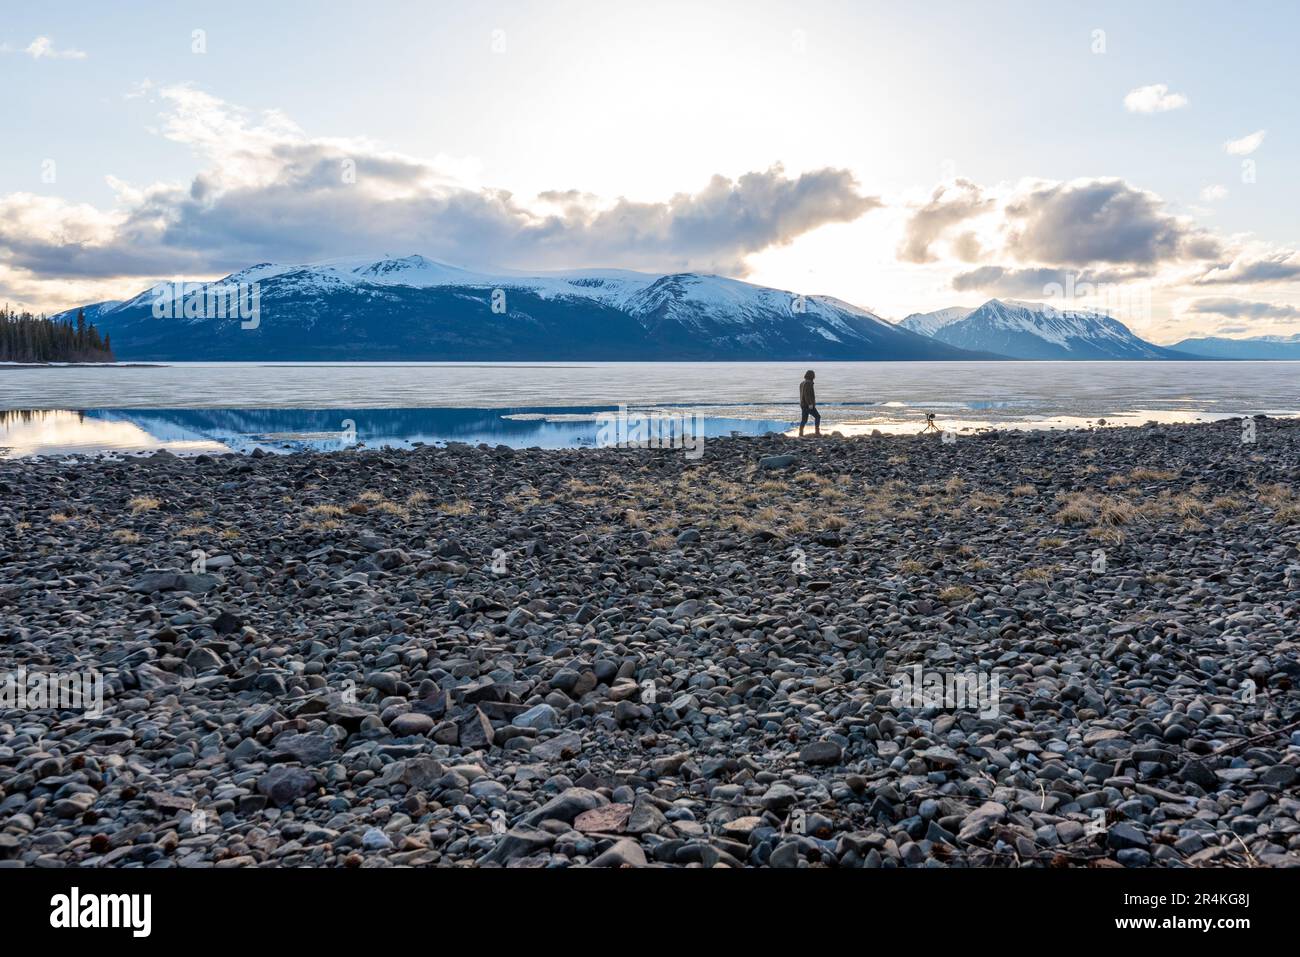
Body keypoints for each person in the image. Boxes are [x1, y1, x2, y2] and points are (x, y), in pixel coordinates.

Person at [798, 369, 821, 437]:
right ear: (812, 376)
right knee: (817, 417)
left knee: (804, 420)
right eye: (814, 375)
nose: (814, 376)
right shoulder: (809, 383)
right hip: (808, 404)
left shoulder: (802, 383)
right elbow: (807, 394)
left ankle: (800, 433)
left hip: (802, 404)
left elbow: (803, 394)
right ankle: (817, 432)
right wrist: (810, 404)